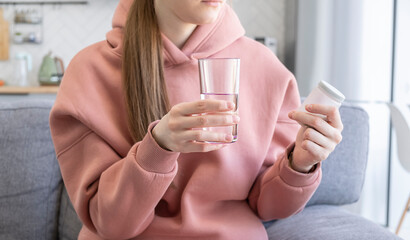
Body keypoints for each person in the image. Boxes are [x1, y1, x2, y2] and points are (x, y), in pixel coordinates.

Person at [49, 0, 343, 239]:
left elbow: (268, 206)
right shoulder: (88, 73)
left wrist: (299, 164)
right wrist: (158, 148)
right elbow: (111, 223)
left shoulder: (266, 69)